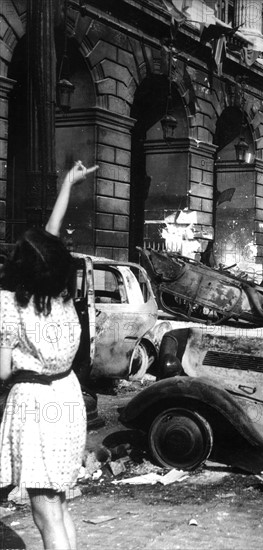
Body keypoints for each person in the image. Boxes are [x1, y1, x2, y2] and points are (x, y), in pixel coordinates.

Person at [0, 160, 98, 549]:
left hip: (36, 406)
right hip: (67, 401)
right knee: (58, 509)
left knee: (45, 515)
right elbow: (50, 241)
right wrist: (67, 187)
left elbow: (4, 372)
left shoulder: (9, 304)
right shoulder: (60, 297)